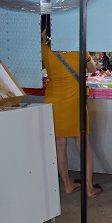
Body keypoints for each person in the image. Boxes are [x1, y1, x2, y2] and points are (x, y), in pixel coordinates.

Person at [41, 22, 103, 199]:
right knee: (83, 144)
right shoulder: (79, 50)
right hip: (74, 101)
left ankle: (67, 185)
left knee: (60, 145)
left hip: (54, 99)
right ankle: (89, 188)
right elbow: (93, 69)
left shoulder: (45, 49)